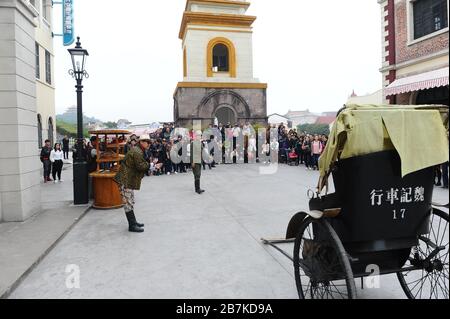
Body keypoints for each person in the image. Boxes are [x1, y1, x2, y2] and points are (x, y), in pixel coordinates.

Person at [114, 134, 151, 233]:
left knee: (130, 200)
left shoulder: (138, 150)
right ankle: (132, 225)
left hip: (127, 179)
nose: (149, 144)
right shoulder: (137, 151)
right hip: (125, 180)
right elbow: (140, 166)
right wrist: (151, 165)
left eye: (149, 142)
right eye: (147, 142)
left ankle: (133, 222)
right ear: (141, 142)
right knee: (127, 202)